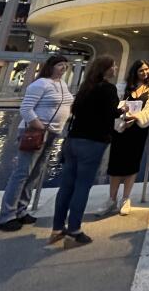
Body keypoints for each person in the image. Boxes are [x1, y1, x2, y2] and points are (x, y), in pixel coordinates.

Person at [50, 55, 122, 248]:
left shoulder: (85, 87)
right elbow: (109, 113)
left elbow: (79, 111)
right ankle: (74, 230)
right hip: (92, 142)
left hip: (73, 141)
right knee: (82, 186)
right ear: (105, 69)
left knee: (66, 185)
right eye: (113, 66)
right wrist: (121, 113)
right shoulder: (108, 89)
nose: (115, 68)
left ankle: (57, 228)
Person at [0, 55, 73, 232]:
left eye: (65, 66)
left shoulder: (62, 84)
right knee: (22, 172)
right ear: (51, 66)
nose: (63, 68)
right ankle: (7, 215)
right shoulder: (40, 84)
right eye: (60, 65)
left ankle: (22, 210)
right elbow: (26, 109)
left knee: (36, 172)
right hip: (36, 133)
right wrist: (40, 126)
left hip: (52, 133)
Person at [96, 60, 149, 216]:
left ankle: (126, 198)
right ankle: (111, 199)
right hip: (121, 129)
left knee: (132, 164)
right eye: (141, 71)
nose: (145, 73)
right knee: (115, 165)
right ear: (135, 72)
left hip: (138, 130)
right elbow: (115, 106)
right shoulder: (122, 86)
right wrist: (122, 120)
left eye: (147, 70)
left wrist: (137, 117)